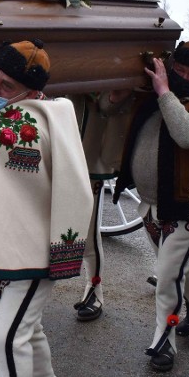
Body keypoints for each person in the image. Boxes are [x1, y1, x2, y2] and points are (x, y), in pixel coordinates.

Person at [0, 34, 92, 377]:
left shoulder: (30, 121)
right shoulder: (42, 111)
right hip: (25, 244)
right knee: (27, 330)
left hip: (37, 251)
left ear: (30, 92)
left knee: (8, 336)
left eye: (5, 84)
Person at [107, 38, 189, 372]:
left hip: (186, 209)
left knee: (167, 276)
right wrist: (125, 92)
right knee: (180, 269)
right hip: (151, 205)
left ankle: (163, 340)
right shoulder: (154, 94)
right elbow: (109, 111)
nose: (183, 77)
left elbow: (187, 135)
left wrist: (165, 90)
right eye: (178, 69)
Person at [69, 93, 131, 322]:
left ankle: (94, 288)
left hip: (88, 146)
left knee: (87, 228)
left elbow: (106, 103)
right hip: (48, 143)